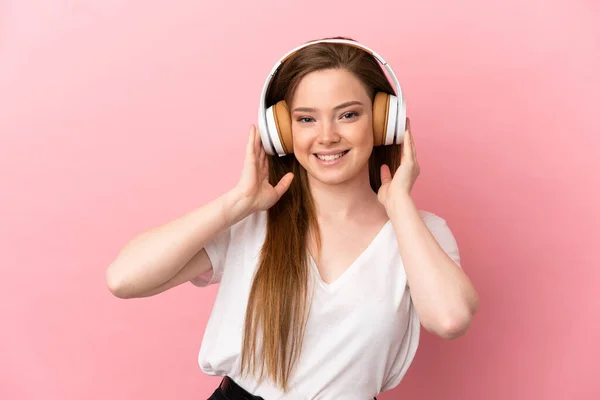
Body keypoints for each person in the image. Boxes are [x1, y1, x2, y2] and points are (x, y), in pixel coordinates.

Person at [105, 37, 480, 400]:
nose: (327, 136)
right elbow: (124, 278)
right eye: (306, 119)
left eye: (348, 114)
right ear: (281, 131)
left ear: (384, 122)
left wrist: (399, 206)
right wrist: (236, 203)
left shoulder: (421, 233)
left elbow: (450, 319)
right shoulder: (253, 221)